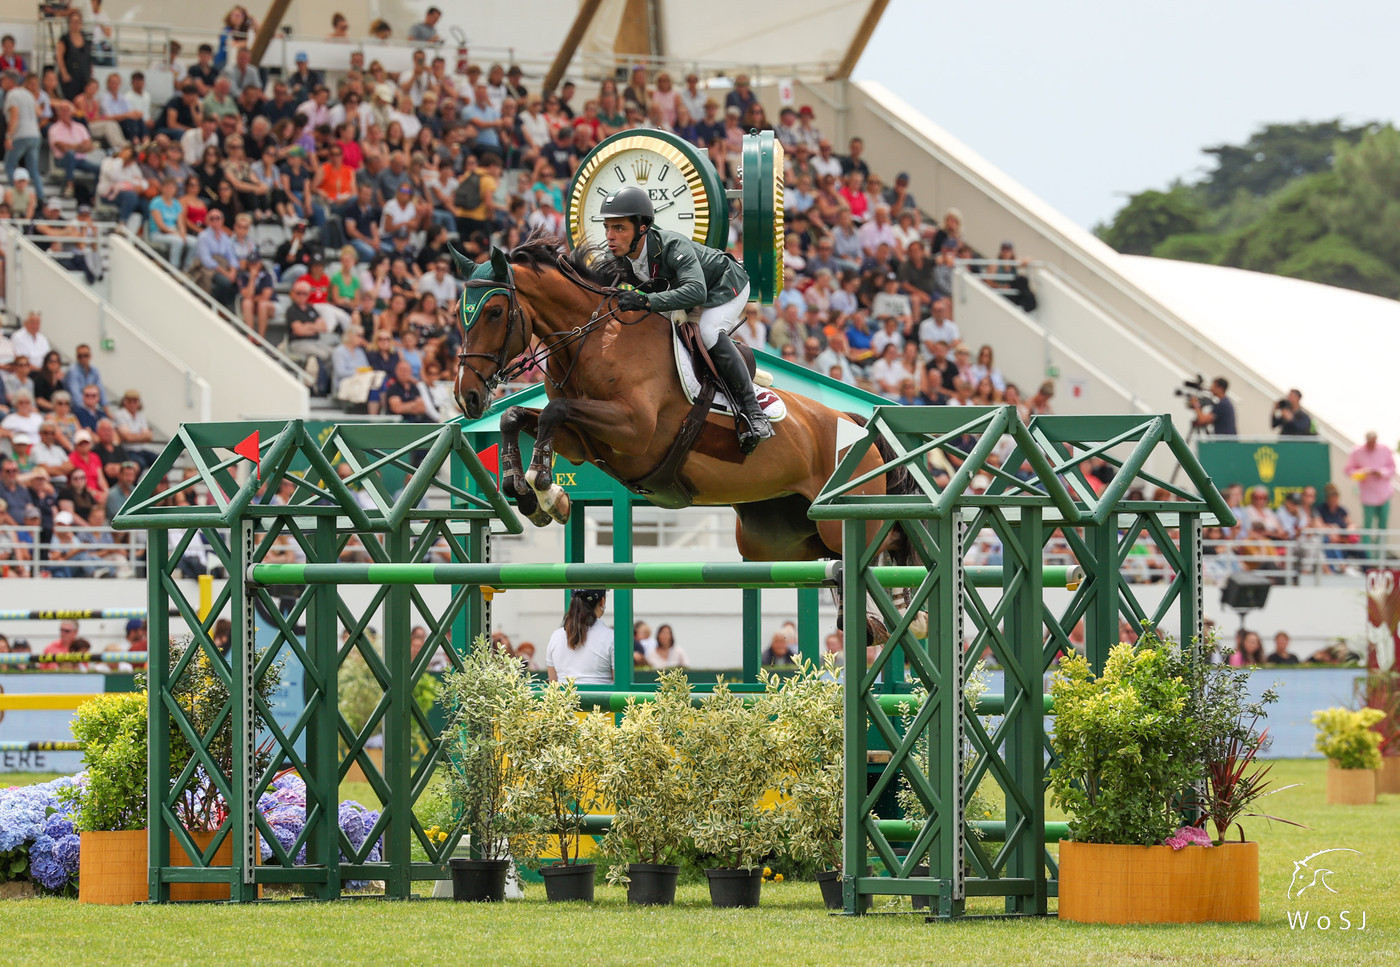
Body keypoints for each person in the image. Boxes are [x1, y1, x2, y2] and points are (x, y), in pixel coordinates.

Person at [600, 186, 773, 453]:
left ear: (643, 227)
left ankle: (755, 412)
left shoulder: (671, 245)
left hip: (724, 285)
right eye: (607, 228)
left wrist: (645, 301)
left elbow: (697, 290)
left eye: (619, 228)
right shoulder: (619, 259)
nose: (610, 236)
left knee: (708, 332)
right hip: (686, 298)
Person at [546, 588, 613, 684]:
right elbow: (620, 682)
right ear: (602, 601)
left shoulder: (555, 636)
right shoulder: (611, 637)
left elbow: (553, 682)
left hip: (565, 698)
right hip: (602, 698)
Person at [1343, 431, 1396, 538]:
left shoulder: (1385, 450)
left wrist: (1381, 473)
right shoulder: (1357, 451)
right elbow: (1349, 471)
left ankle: (1380, 552)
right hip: (1368, 495)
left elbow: (1392, 468)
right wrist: (1362, 473)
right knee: (1367, 525)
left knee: (1383, 526)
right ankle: (1367, 553)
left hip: (1384, 494)